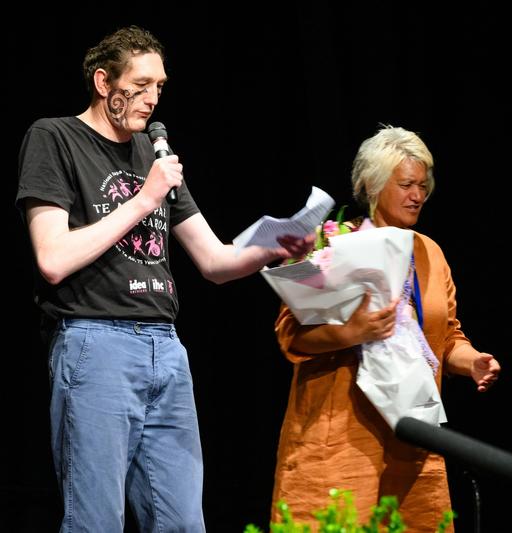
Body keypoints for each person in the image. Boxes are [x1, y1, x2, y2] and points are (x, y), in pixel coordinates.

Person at [16, 26, 312, 532]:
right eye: (142, 84)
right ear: (103, 80)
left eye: (161, 86)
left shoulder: (153, 158)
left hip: (167, 350)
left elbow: (215, 261)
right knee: (96, 521)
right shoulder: (55, 137)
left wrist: (274, 250)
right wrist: (145, 199)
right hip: (96, 342)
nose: (153, 99)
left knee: (183, 523)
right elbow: (53, 258)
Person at [271, 125, 501, 530]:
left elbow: (446, 338)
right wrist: (352, 332)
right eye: (407, 184)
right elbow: (290, 334)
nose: (418, 195)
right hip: (340, 438)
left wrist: (472, 362)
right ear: (372, 185)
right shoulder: (334, 243)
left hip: (412, 437)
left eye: (423, 185)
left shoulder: (430, 253)